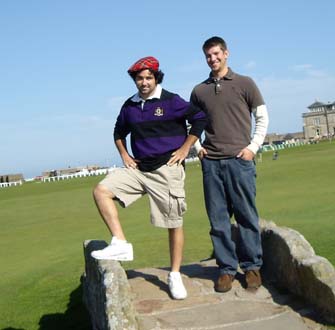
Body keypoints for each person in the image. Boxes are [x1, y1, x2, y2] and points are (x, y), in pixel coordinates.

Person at [91, 56, 206, 300]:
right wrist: (124, 155)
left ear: (156, 78)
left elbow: (199, 119)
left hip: (167, 169)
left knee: (174, 223)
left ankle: (174, 274)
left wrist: (186, 148)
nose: (144, 82)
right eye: (140, 78)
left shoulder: (171, 100)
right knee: (101, 191)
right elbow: (118, 132)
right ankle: (120, 242)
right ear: (135, 80)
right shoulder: (129, 106)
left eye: (148, 78)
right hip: (139, 170)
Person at [190, 37, 269, 292]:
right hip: (211, 163)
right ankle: (226, 270)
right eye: (208, 56)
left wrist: (252, 148)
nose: (212, 59)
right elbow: (191, 125)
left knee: (246, 216)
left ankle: (252, 268)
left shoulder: (245, 83)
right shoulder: (199, 91)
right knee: (218, 219)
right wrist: (198, 148)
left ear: (226, 53)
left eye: (216, 54)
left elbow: (262, 117)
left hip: (239, 161)